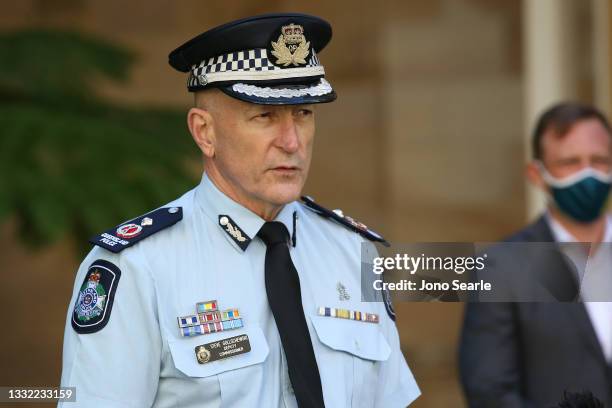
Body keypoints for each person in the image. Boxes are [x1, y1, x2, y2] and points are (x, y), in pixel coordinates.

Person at [59, 13, 420, 408]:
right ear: (205, 132)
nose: (291, 141)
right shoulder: (138, 268)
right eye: (264, 116)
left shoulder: (353, 252)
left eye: (303, 114)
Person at [459, 102, 612, 407]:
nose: (588, 174)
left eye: (599, 160)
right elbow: (491, 392)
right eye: (570, 162)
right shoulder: (499, 269)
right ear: (537, 174)